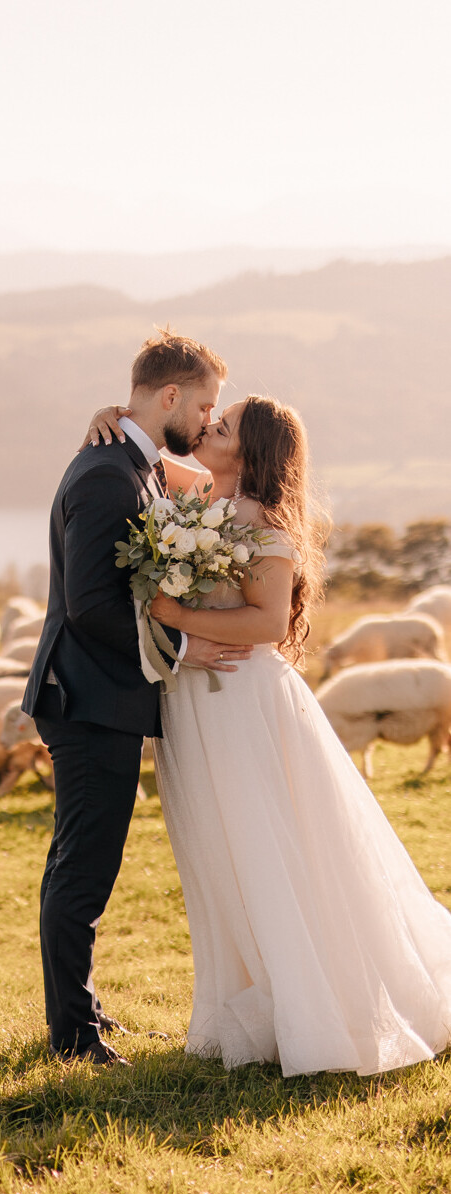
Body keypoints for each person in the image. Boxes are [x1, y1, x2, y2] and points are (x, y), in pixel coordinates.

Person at [83, 395, 451, 1075]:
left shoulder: (262, 522)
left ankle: (311, 1007)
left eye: (219, 428)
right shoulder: (199, 495)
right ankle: (246, 1002)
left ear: (249, 453)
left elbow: (267, 624)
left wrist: (172, 616)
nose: (205, 428)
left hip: (242, 702)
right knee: (216, 849)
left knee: (263, 846)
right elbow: (143, 456)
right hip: (191, 702)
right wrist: (108, 417)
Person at [23, 331, 248, 1067]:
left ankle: (80, 1012)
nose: (207, 417)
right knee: (82, 868)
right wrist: (183, 648)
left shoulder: (135, 466)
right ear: (171, 396)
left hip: (106, 695)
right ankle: (71, 1038)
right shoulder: (104, 475)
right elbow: (90, 605)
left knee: (87, 863)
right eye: (205, 403)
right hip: (86, 697)